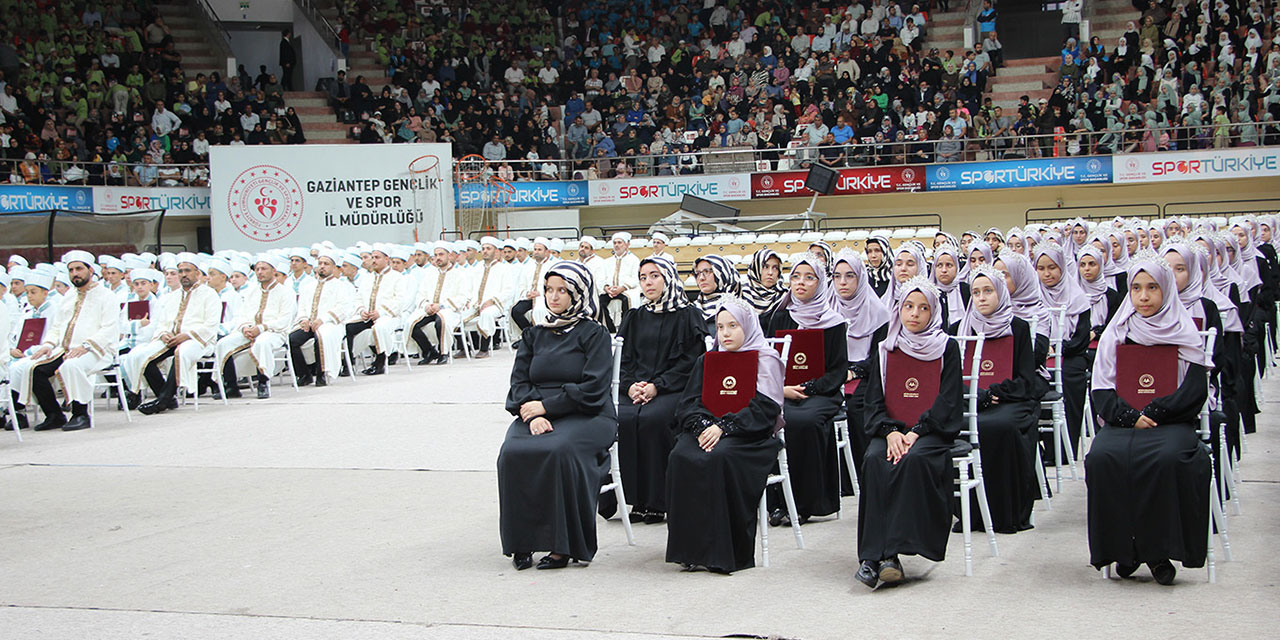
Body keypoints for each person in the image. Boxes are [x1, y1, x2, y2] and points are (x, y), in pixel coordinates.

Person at [1086, 255, 1211, 585]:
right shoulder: (1118, 332)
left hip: (1171, 422)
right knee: (1102, 457)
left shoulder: (1184, 330)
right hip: (1125, 421)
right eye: (1137, 288)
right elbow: (1101, 388)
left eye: (1152, 288)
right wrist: (1130, 416)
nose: (1143, 296)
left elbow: (1195, 389)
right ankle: (1123, 550)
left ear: (1166, 290)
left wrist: (1155, 412)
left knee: (1169, 459)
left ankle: (1157, 553)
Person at [498, 262, 616, 571]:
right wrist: (532, 414)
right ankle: (521, 542)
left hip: (587, 413)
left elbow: (594, 388)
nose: (554, 297)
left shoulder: (594, 334)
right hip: (534, 411)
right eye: (549, 290)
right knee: (512, 452)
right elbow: (519, 382)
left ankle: (562, 544)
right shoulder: (535, 334)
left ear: (578, 293)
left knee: (558, 450)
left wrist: (548, 408)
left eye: (562, 291)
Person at [857, 277, 963, 588]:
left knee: (912, 460)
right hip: (891, 430)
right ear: (898, 310)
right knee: (875, 460)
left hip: (930, 431)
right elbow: (873, 400)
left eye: (923, 308)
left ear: (934, 313)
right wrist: (889, 431)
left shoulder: (947, 347)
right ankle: (874, 557)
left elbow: (949, 398)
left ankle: (888, 553)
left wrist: (917, 430)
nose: (914, 314)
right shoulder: (886, 348)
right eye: (908, 307)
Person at [666, 298, 786, 573]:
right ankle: (690, 550)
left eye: (733, 326)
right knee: (680, 455)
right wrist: (703, 426)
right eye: (720, 327)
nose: (726, 333)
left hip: (749, 435)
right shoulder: (708, 360)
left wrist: (724, 427)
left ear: (747, 326)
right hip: (707, 429)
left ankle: (726, 553)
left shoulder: (765, 359)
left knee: (720, 457)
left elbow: (766, 407)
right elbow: (689, 403)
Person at [599, 257, 705, 524]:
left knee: (653, 420)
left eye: (655, 276)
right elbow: (623, 359)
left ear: (668, 279)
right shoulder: (635, 316)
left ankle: (658, 501)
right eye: (644, 277)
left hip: (673, 389)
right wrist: (631, 385)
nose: (648, 282)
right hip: (636, 389)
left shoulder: (688, 315)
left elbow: (691, 361)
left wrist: (658, 386)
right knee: (621, 419)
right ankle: (632, 498)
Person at [957, 265, 1047, 533]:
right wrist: (980, 397)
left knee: (1002, 428)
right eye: (976, 292)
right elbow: (951, 378)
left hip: (1010, 401)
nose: (981, 297)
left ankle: (1006, 513)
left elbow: (1026, 378)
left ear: (1001, 294)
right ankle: (970, 513)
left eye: (988, 291)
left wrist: (995, 392)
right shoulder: (961, 328)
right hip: (973, 400)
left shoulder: (1017, 328)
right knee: (959, 425)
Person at [761, 253, 848, 525]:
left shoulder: (834, 322)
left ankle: (805, 502)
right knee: (770, 417)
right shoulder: (780, 317)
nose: (801, 283)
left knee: (804, 421)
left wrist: (809, 387)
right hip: (784, 390)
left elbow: (837, 371)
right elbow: (768, 361)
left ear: (820, 283)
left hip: (821, 393)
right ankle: (776, 500)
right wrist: (783, 388)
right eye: (796, 276)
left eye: (809, 277)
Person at [8, 251, 119, 432]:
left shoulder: (106, 296)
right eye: (71, 270)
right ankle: (54, 414)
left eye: (79, 269)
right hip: (64, 349)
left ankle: (80, 414)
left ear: (90, 270)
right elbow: (57, 326)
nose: (75, 273)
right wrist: (48, 345)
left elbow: (109, 328)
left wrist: (86, 346)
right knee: (34, 369)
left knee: (71, 365)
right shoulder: (69, 296)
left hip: (98, 350)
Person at [121, 255, 222, 413]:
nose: (183, 274)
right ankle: (167, 397)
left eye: (187, 271)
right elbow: (162, 322)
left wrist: (187, 335)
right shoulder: (172, 296)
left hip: (198, 340)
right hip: (171, 338)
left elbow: (211, 325)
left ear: (197, 273)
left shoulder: (209, 294)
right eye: (180, 271)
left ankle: (163, 400)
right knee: (143, 356)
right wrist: (163, 334)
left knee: (181, 352)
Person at [832, 249, 891, 490]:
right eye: (837, 276)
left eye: (849, 276)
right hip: (835, 374)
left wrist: (854, 372)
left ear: (861, 278)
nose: (843, 283)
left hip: (867, 374)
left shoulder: (879, 312)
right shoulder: (827, 309)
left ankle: (858, 474)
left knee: (859, 406)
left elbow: (879, 357)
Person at [213, 256, 295, 401]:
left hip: (274, 332)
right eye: (257, 269)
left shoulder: (286, 292)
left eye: (264, 269)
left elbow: (285, 320)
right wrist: (245, 327)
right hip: (250, 330)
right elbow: (242, 315)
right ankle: (230, 386)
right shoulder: (252, 291)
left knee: (262, 343)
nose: (259, 272)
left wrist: (262, 328)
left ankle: (263, 382)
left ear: (274, 271)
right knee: (223, 344)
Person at [288, 251, 357, 386]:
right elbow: (301, 307)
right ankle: (304, 374)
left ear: (333, 267)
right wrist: (304, 320)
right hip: (309, 323)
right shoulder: (308, 286)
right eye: (320, 263)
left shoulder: (341, 286)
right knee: (291, 340)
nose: (322, 267)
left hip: (330, 324)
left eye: (326, 264)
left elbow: (343, 308)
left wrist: (323, 319)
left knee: (321, 337)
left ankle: (322, 373)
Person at [406, 242, 468, 364]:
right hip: (429, 309)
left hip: (449, 309)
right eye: (435, 255)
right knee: (411, 324)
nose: (438, 258)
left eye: (441, 254)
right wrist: (426, 305)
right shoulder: (429, 274)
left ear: (449, 256)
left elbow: (463, 297)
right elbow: (421, 294)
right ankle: (429, 351)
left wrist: (442, 305)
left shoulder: (460, 274)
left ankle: (443, 352)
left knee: (441, 321)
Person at [345, 246, 402, 374]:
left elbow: (399, 301)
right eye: (373, 257)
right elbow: (358, 298)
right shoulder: (368, 277)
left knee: (379, 328)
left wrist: (380, 312)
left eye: (377, 257)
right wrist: (361, 311)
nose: (374, 260)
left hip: (389, 316)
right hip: (368, 316)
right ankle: (348, 363)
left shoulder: (397, 277)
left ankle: (380, 363)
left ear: (386, 259)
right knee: (348, 327)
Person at [461, 237, 515, 357]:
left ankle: (484, 348)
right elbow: (468, 288)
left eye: (488, 249)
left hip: (496, 305)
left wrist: (492, 301)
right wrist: (468, 300)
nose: (485, 251)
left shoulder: (504, 269)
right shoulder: (476, 268)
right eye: (483, 248)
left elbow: (509, 291)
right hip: (476, 303)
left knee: (487, 314)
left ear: (496, 251)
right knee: (458, 315)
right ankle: (464, 348)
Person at [597, 232, 641, 332]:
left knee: (626, 300)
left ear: (627, 244)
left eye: (619, 242)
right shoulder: (607, 261)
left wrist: (622, 288)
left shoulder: (634, 260)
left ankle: (625, 329)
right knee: (600, 301)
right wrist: (606, 288)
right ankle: (609, 328)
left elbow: (635, 278)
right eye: (615, 243)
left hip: (627, 290)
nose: (616, 245)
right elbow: (600, 278)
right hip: (611, 290)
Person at [691, 255, 741, 331]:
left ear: (723, 273)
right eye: (698, 273)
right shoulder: (691, 311)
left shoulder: (741, 308)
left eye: (707, 271)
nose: (701, 278)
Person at [742, 248, 786, 313]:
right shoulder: (742, 294)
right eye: (765, 267)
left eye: (775, 268)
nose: (770, 272)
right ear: (756, 268)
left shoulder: (784, 296)